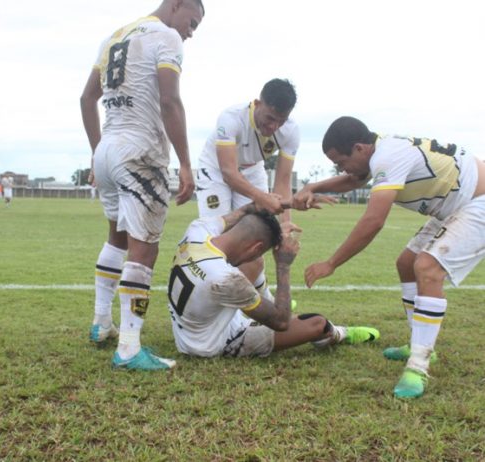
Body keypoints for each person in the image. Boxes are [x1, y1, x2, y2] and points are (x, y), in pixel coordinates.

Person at [292, 116, 485, 399]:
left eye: (341, 161)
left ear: (359, 148)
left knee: (427, 268)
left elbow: (374, 221)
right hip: (455, 205)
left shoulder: (386, 156)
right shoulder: (380, 149)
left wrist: (330, 263)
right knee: (406, 264)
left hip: (477, 201)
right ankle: (417, 343)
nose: (342, 168)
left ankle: (418, 366)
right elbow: (353, 179)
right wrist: (312, 188)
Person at [80, 0, 205, 370]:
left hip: (108, 149)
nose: (191, 32)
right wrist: (185, 162)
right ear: (177, 4)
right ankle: (129, 348)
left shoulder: (114, 36)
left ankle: (101, 323)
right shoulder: (166, 36)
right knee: (144, 249)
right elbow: (169, 100)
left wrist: (96, 152)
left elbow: (87, 98)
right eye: (192, 22)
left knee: (116, 238)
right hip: (140, 152)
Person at [167, 202, 380, 359]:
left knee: (253, 263)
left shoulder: (198, 229)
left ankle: (265, 306)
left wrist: (279, 221)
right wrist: (283, 265)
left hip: (193, 323)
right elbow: (281, 322)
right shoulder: (228, 280)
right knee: (317, 323)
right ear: (256, 246)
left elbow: (246, 210)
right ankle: (338, 334)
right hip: (208, 344)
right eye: (261, 250)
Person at [196, 78, 300, 302]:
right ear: (257, 103)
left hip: (253, 170)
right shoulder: (231, 118)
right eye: (270, 118)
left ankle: (261, 297)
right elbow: (229, 172)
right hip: (216, 170)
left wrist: (284, 226)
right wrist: (262, 198)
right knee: (217, 237)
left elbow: (283, 181)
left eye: (280, 121)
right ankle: (208, 299)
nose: (273, 127)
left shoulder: (291, 131)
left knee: (256, 236)